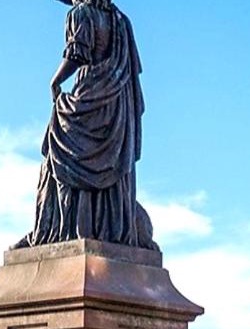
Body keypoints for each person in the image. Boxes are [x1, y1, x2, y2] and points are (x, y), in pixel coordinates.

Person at [20, 0, 156, 249]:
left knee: (60, 152)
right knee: (107, 167)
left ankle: (59, 230)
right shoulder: (121, 22)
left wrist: (55, 81)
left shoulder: (81, 13)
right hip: (116, 106)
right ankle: (106, 229)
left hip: (91, 95)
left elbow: (77, 53)